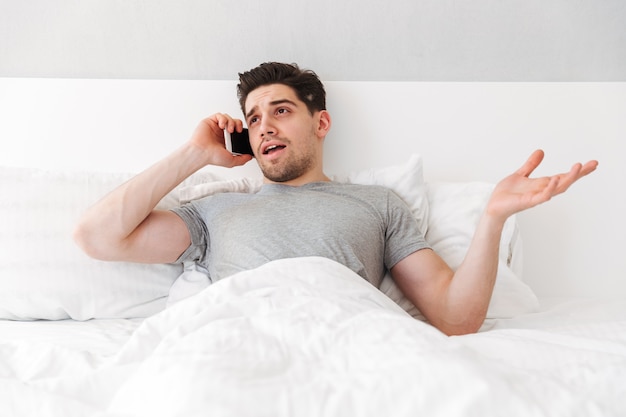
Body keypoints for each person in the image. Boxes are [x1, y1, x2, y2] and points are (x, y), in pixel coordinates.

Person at [73, 62, 598, 336]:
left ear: (320, 122)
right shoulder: (215, 209)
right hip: (241, 342)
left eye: (281, 111)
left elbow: (455, 320)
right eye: (253, 119)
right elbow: (96, 237)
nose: (263, 127)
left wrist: (492, 219)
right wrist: (193, 155)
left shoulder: (379, 204)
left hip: (349, 343)